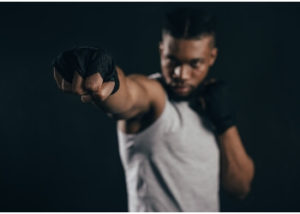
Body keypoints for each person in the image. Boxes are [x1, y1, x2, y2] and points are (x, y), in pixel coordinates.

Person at [52, 8, 255, 212]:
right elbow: (129, 95)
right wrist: (108, 75)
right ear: (161, 51)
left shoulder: (211, 106)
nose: (181, 74)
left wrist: (225, 124)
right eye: (172, 60)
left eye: (195, 64)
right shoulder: (154, 98)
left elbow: (240, 188)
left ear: (212, 57)